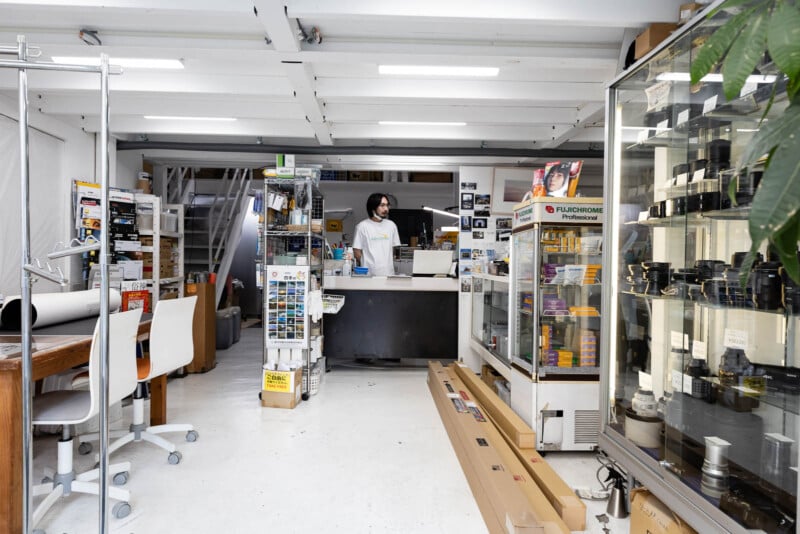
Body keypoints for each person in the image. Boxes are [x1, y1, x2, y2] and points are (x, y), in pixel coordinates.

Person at [352, 193, 400, 276]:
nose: (386, 209)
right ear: (373, 207)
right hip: (369, 275)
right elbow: (357, 252)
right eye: (382, 205)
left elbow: (394, 249)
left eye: (387, 205)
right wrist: (369, 265)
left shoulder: (391, 225)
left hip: (388, 274)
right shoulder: (362, 227)